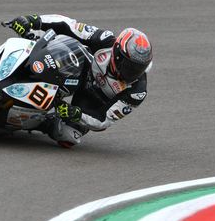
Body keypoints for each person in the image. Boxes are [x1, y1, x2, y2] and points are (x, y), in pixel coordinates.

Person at [8, 14, 153, 147]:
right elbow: (69, 25)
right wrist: (35, 20)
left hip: (93, 101)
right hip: (79, 71)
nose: (134, 73)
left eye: (139, 69)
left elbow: (103, 120)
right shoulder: (104, 39)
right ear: (117, 54)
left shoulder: (137, 92)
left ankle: (38, 121)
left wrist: (75, 113)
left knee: (68, 136)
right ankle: (20, 70)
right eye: (130, 66)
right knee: (61, 50)